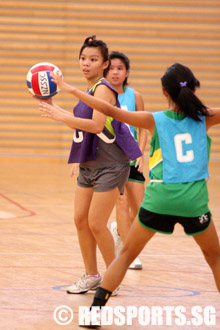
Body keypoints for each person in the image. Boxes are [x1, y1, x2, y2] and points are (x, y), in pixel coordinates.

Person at [40, 62, 220, 327]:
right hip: (194, 202)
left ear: (164, 92)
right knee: (214, 257)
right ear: (194, 89)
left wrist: (68, 88)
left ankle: (95, 312)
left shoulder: (154, 119)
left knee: (124, 256)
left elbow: (107, 110)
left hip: (159, 200)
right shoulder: (206, 117)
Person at [37, 35, 142, 295]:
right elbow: (81, 126)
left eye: (93, 59)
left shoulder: (104, 88)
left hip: (111, 166)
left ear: (105, 64)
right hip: (90, 165)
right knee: (80, 220)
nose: (86, 63)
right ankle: (91, 275)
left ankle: (111, 279)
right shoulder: (87, 91)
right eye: (83, 58)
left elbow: (96, 125)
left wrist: (61, 114)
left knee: (96, 223)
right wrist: (56, 110)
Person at [105, 51, 147, 269]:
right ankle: (128, 251)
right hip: (113, 160)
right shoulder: (103, 94)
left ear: (126, 72)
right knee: (121, 203)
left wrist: (140, 152)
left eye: (119, 68)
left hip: (133, 159)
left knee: (140, 208)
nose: (115, 72)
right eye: (111, 68)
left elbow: (144, 127)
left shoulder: (135, 96)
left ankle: (119, 232)